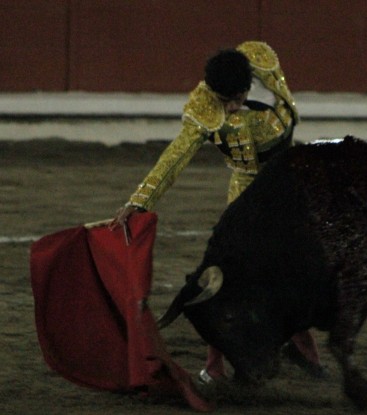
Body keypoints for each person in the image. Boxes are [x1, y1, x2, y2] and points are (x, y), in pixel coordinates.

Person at [111, 41, 325, 385]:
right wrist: (140, 201)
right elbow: (175, 157)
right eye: (224, 100)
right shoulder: (204, 108)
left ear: (248, 84)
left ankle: (305, 351)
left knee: (296, 268)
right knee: (231, 275)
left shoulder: (263, 64)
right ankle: (214, 365)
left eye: (236, 98)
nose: (231, 107)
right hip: (248, 191)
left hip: (290, 181)